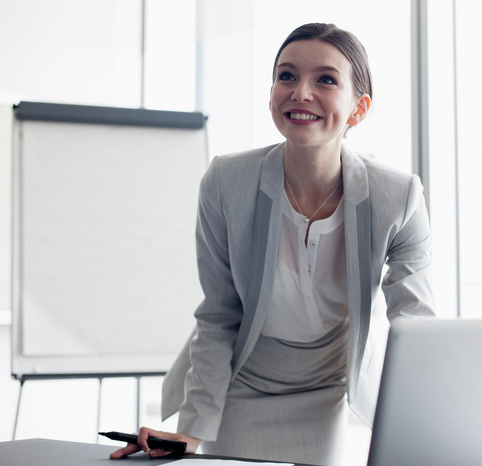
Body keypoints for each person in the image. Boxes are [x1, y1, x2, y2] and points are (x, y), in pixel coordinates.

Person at [110, 22, 434, 465]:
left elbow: (415, 330)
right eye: (286, 75)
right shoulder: (226, 181)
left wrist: (428, 426)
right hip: (240, 384)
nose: (300, 92)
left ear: (359, 109)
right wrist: (190, 431)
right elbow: (219, 315)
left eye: (325, 79)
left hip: (325, 388)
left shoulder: (397, 197)